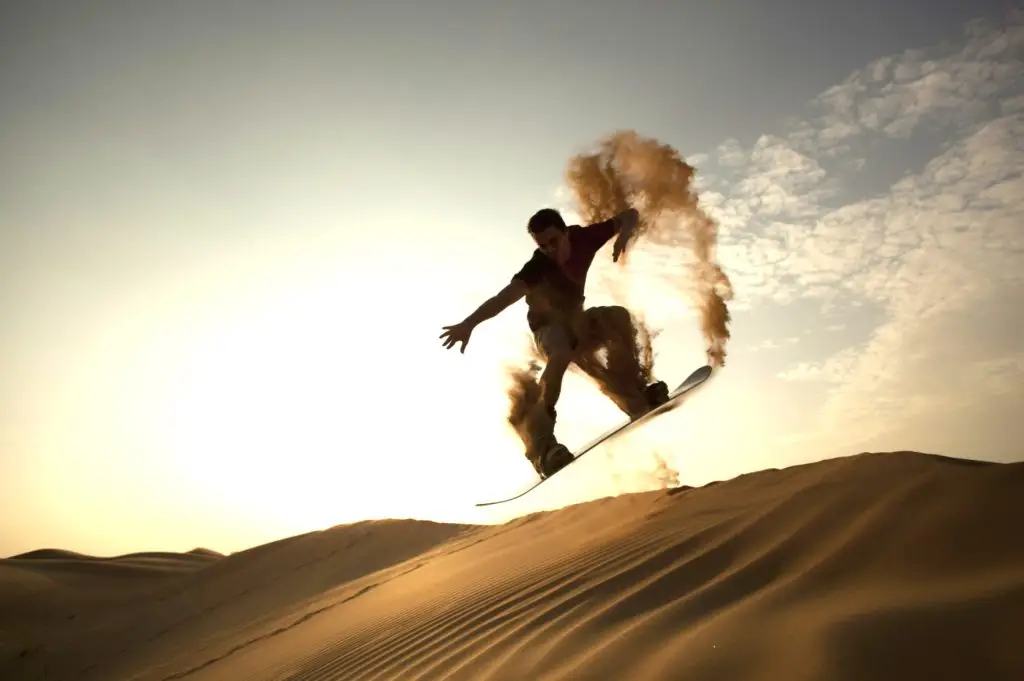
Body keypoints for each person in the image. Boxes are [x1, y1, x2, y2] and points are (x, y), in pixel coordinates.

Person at [439, 207, 670, 478]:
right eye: (542, 245)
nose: (549, 249)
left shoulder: (585, 237)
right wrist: (469, 323)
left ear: (565, 232)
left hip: (578, 322)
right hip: (548, 329)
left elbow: (629, 214)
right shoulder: (536, 268)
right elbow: (503, 299)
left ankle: (635, 393)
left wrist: (624, 234)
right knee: (559, 354)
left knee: (618, 317)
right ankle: (542, 448)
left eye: (553, 241)